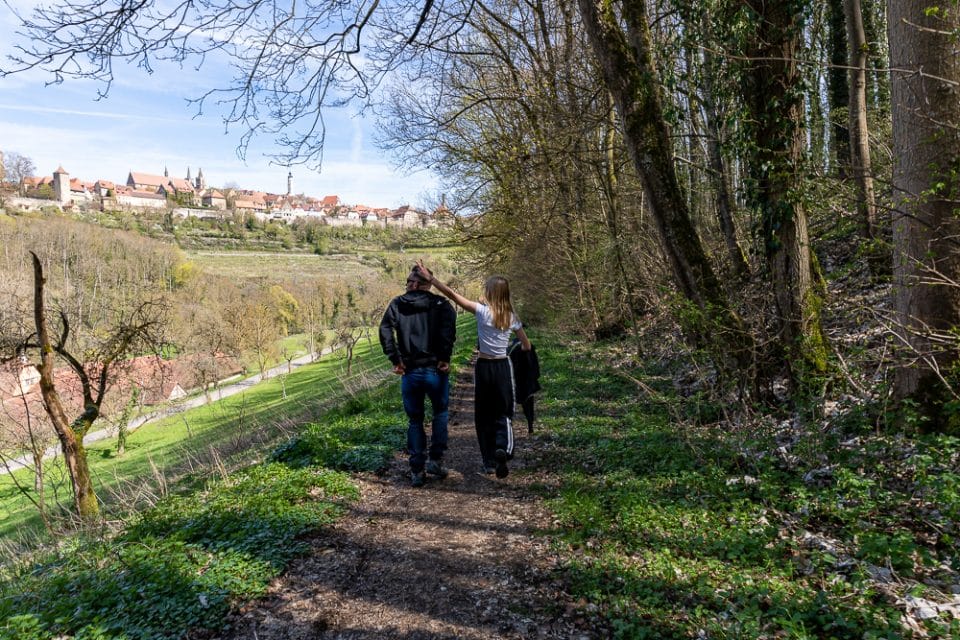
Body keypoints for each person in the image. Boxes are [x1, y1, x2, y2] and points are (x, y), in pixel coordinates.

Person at [414, 260, 530, 478]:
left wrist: (431, 280)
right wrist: (516, 349)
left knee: (483, 414)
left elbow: (452, 295)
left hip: (484, 366)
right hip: (503, 367)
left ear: (489, 293)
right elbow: (526, 346)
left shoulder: (482, 312)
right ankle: (503, 449)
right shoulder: (512, 318)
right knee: (504, 412)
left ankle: (488, 462)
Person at [379, 265, 457, 487]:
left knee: (415, 420)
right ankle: (435, 460)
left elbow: (385, 330)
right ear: (428, 283)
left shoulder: (397, 304)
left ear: (411, 284)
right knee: (440, 414)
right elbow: (449, 330)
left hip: (410, 371)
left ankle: (416, 470)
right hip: (435, 370)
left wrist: (395, 359)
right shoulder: (441, 304)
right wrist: (444, 357)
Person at [509, 337, 540, 434]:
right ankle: (530, 425)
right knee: (528, 402)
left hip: (515, 378)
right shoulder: (531, 346)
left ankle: (507, 427)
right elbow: (536, 368)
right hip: (528, 379)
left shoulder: (509, 348)